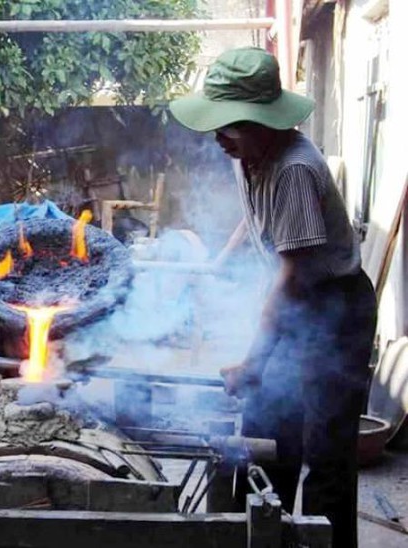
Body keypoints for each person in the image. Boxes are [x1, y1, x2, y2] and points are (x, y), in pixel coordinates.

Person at [170, 47, 377, 548]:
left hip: (334, 310)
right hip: (298, 300)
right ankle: (267, 537)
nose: (219, 137)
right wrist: (219, 266)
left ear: (263, 122)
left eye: (230, 125)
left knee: (325, 456)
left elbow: (292, 282)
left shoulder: (294, 170)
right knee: (265, 436)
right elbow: (257, 218)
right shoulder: (251, 157)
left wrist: (253, 361)